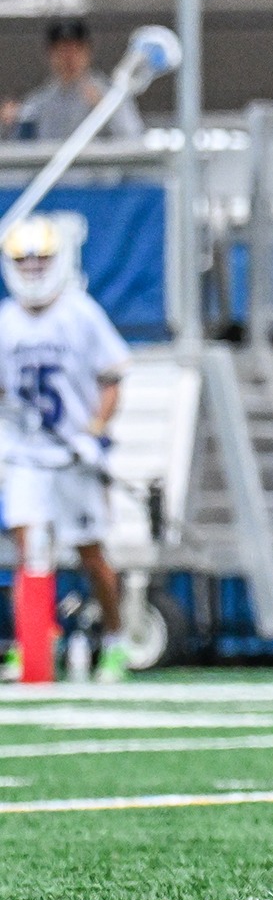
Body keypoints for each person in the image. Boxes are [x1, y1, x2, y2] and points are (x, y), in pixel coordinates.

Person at [0, 215, 131, 682]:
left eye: (41, 259)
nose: (33, 269)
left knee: (90, 554)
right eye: (23, 260)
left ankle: (116, 639)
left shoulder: (80, 313)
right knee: (28, 546)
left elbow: (112, 378)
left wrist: (93, 432)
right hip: (26, 454)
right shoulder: (7, 322)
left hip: (74, 453)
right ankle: (31, 644)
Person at [4, 20, 144, 143]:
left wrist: (103, 108)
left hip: (95, 171)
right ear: (50, 54)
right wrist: (9, 122)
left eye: (76, 50)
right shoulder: (41, 100)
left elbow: (134, 138)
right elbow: (17, 142)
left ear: (88, 53)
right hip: (53, 170)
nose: (69, 58)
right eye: (62, 51)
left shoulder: (110, 93)